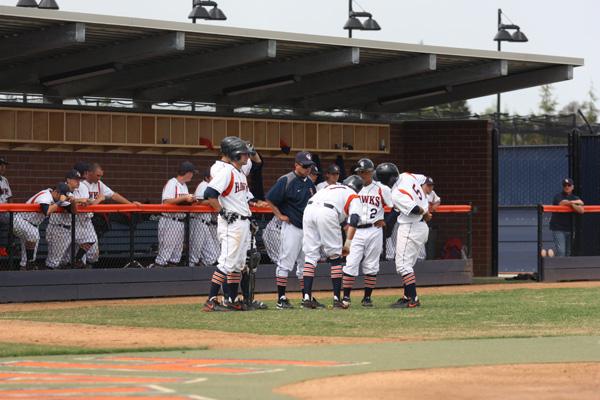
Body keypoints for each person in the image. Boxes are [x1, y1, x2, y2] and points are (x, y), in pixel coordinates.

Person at [203, 137, 253, 312]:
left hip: (242, 222)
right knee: (226, 262)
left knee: (238, 264)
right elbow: (209, 193)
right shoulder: (227, 172)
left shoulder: (239, 173)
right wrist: (222, 211)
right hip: (231, 223)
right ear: (235, 155)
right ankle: (210, 300)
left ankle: (230, 299)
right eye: (244, 154)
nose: (247, 157)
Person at [302, 175, 363, 309]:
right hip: (327, 212)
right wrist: (347, 245)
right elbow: (353, 221)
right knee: (335, 257)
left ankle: (306, 297)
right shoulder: (353, 195)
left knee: (310, 256)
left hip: (309, 210)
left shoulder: (330, 187)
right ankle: (336, 299)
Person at [266, 151, 316, 309]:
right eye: (304, 166)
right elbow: (270, 198)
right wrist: (279, 215)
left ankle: (306, 298)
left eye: (309, 166)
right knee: (285, 263)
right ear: (296, 165)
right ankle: (281, 298)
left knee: (305, 263)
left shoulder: (309, 182)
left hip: (307, 229)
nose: (307, 169)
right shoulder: (286, 179)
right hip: (292, 226)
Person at [342, 159, 393, 307]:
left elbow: (395, 207)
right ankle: (346, 297)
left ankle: (367, 297)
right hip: (355, 230)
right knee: (351, 262)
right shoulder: (351, 186)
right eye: (360, 172)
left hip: (374, 229)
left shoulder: (382, 189)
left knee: (371, 264)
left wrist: (386, 221)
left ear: (372, 172)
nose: (362, 174)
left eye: (365, 172)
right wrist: (345, 222)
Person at [81, 162, 141, 267]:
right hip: (79, 220)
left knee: (93, 253)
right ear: (89, 173)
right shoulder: (81, 185)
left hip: (89, 221)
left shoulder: (99, 184)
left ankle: (85, 268)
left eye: (100, 176)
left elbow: (113, 195)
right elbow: (86, 204)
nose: (99, 178)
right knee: (79, 253)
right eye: (97, 175)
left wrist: (131, 204)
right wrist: (99, 199)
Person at [390, 172, 431, 308]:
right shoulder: (406, 176)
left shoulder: (396, 193)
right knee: (407, 264)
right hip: (420, 227)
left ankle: (413, 298)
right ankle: (407, 296)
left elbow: (414, 209)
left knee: (403, 265)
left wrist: (424, 211)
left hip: (411, 226)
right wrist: (424, 205)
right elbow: (424, 179)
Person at [13, 183, 73, 270]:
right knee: (34, 235)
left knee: (30, 244)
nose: (63, 198)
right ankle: (30, 263)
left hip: (30, 224)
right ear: (57, 192)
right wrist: (60, 202)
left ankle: (25, 266)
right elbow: (47, 211)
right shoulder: (45, 196)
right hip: (21, 221)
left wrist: (73, 200)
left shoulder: (54, 196)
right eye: (62, 196)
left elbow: (71, 209)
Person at [151, 161, 198, 268]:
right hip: (169, 220)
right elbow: (166, 201)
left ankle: (170, 277)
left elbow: (182, 201)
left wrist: (191, 200)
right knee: (166, 249)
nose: (192, 175)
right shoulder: (172, 183)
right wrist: (185, 198)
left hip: (180, 221)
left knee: (177, 252)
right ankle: (156, 271)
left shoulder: (184, 185)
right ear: (187, 173)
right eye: (192, 173)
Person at [45, 170, 87, 270]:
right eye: (75, 179)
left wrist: (77, 201)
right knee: (53, 262)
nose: (78, 182)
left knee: (64, 261)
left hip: (67, 229)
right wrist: (78, 201)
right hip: (58, 228)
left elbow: (73, 207)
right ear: (68, 180)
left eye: (79, 179)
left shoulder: (71, 192)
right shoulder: (62, 189)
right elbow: (70, 207)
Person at [190, 170, 219, 267]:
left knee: (212, 256)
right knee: (195, 252)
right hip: (197, 220)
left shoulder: (211, 187)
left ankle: (202, 269)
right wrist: (215, 201)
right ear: (207, 178)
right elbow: (199, 202)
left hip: (205, 223)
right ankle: (190, 271)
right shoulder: (203, 185)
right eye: (212, 177)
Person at [549, 178, 584, 257]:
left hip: (570, 229)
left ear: (572, 187)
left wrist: (571, 204)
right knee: (561, 252)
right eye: (565, 185)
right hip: (558, 228)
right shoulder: (558, 196)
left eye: (569, 185)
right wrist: (574, 203)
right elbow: (562, 203)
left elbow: (581, 210)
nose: (567, 187)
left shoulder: (575, 197)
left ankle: (564, 269)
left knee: (568, 252)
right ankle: (559, 268)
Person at [418, 176, 442, 260]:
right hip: (415, 220)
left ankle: (420, 259)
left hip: (424, 221)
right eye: (428, 185)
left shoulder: (432, 193)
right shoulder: (417, 192)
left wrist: (435, 205)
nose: (430, 187)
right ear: (423, 185)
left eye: (431, 185)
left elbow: (438, 200)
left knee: (423, 241)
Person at [0, 157, 12, 227]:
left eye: (4, 166)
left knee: (4, 236)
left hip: (4, 212)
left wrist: (11, 211)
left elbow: (10, 197)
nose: (3, 168)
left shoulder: (5, 180)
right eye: (1, 165)